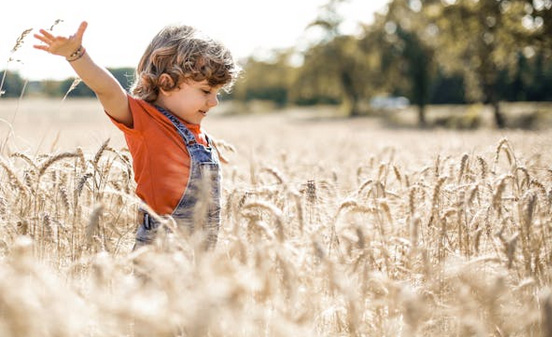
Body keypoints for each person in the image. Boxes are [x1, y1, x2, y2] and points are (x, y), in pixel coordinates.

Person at [34, 21, 240, 250]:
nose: (214, 102)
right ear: (166, 83)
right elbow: (108, 90)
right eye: (206, 91)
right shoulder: (146, 122)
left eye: (217, 92)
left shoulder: (199, 135)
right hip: (160, 248)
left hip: (200, 252)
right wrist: (76, 54)